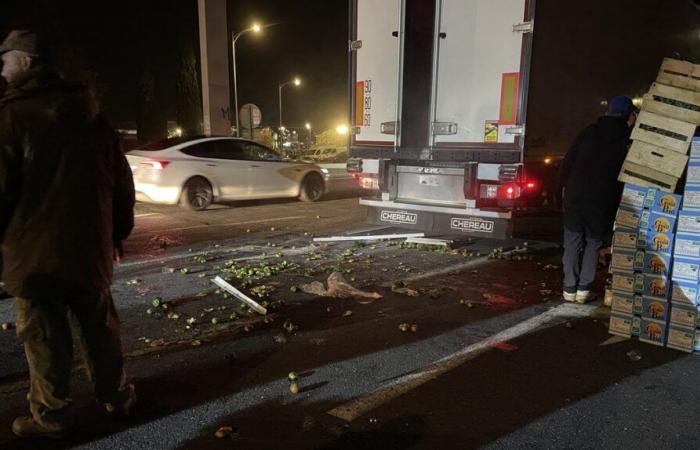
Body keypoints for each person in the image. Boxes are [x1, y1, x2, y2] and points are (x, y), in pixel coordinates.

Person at [0, 30, 136, 438]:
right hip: (88, 248)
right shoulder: (92, 114)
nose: (1, 68)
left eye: (4, 59)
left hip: (35, 253)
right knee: (99, 329)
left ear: (25, 61)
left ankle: (53, 416)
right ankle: (117, 397)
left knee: (45, 337)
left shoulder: (12, 117)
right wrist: (116, 234)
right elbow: (121, 184)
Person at [559, 95, 638, 303]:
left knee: (573, 241)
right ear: (630, 115)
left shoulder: (589, 132)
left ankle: (569, 288)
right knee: (593, 244)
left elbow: (568, 162)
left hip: (576, 196)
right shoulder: (626, 140)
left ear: (607, 112)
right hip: (601, 200)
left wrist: (561, 189)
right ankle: (583, 291)